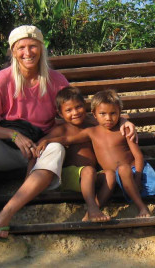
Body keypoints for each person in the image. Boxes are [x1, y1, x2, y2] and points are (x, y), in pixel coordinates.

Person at [0, 26, 136, 241]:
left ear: (41, 49)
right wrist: (12, 135)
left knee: (57, 148)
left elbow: (78, 112)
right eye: (21, 47)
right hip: (7, 148)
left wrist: (123, 120)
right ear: (14, 51)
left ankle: (6, 214)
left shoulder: (56, 80)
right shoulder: (2, 79)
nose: (28, 52)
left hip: (40, 150)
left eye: (33, 46)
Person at [38, 89, 155, 218]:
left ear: (119, 113)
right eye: (103, 114)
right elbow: (69, 139)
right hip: (118, 174)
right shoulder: (92, 131)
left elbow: (138, 156)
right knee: (122, 171)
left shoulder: (123, 130)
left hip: (137, 169)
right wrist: (47, 141)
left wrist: (138, 176)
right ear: (94, 115)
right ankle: (137, 207)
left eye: (113, 114)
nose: (108, 118)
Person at [35, 86, 115, 222]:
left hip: (92, 175)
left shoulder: (93, 124)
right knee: (88, 171)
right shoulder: (62, 130)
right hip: (70, 176)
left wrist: (126, 123)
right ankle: (93, 208)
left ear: (85, 106)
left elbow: (116, 122)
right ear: (60, 114)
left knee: (111, 175)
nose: (75, 112)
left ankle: (93, 209)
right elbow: (41, 145)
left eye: (78, 107)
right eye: (68, 110)